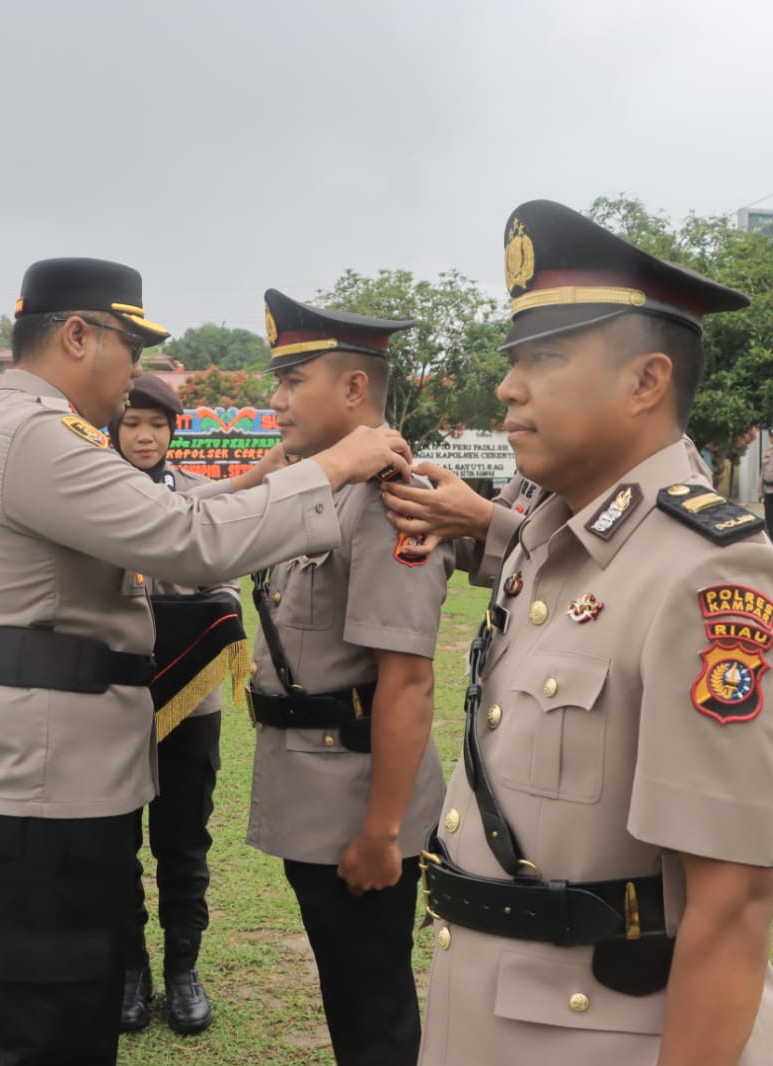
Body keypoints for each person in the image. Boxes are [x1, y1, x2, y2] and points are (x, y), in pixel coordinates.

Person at [0, 258, 414, 1066]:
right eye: (129, 346)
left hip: (37, 771)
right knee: (54, 1023)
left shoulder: (28, 428)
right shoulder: (40, 436)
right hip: (38, 784)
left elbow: (169, 512)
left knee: (38, 1007)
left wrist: (273, 475)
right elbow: (185, 544)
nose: (136, 375)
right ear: (77, 335)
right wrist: (332, 468)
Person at [397, 199, 773, 1066]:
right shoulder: (553, 539)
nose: (507, 387)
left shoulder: (709, 573)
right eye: (513, 361)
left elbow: (732, 905)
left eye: (543, 359)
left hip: (599, 1034)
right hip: (490, 1015)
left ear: (644, 381)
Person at [245, 288, 454, 1066]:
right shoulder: (314, 486)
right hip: (314, 786)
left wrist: (382, 834)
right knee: (349, 990)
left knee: (373, 1010)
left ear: (355, 389)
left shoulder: (387, 501)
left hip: (358, 802)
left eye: (294, 380)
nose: (276, 399)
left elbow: (406, 683)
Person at [108, 374, 243, 1037]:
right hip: (108, 700)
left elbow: (225, 585)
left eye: (157, 426)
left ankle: (183, 968)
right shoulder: (90, 496)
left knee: (183, 839)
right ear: (113, 426)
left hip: (190, 700)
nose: (144, 436)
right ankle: (131, 970)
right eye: (133, 422)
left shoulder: (195, 496)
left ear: (172, 432)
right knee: (114, 840)